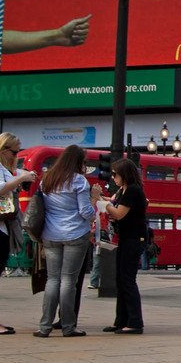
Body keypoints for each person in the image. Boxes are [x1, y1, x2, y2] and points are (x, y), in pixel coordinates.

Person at [35, 145, 99, 338]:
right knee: (68, 281)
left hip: (51, 235)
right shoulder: (79, 181)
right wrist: (94, 202)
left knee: (52, 280)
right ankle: (68, 326)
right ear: (78, 162)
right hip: (74, 234)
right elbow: (85, 212)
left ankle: (44, 326)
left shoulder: (48, 180)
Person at [0, 133, 37, 335]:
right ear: (4, 149)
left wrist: (20, 178)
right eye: (14, 151)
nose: (16, 155)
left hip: (1, 223)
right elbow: (0, 189)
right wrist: (20, 178)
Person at [102, 158, 147, 334]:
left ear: (124, 174)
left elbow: (118, 213)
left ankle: (135, 322)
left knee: (127, 280)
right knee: (121, 280)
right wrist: (102, 199)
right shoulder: (123, 190)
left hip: (134, 239)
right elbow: (112, 201)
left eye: (115, 174)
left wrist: (102, 204)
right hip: (126, 238)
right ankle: (120, 320)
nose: (113, 177)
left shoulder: (134, 191)